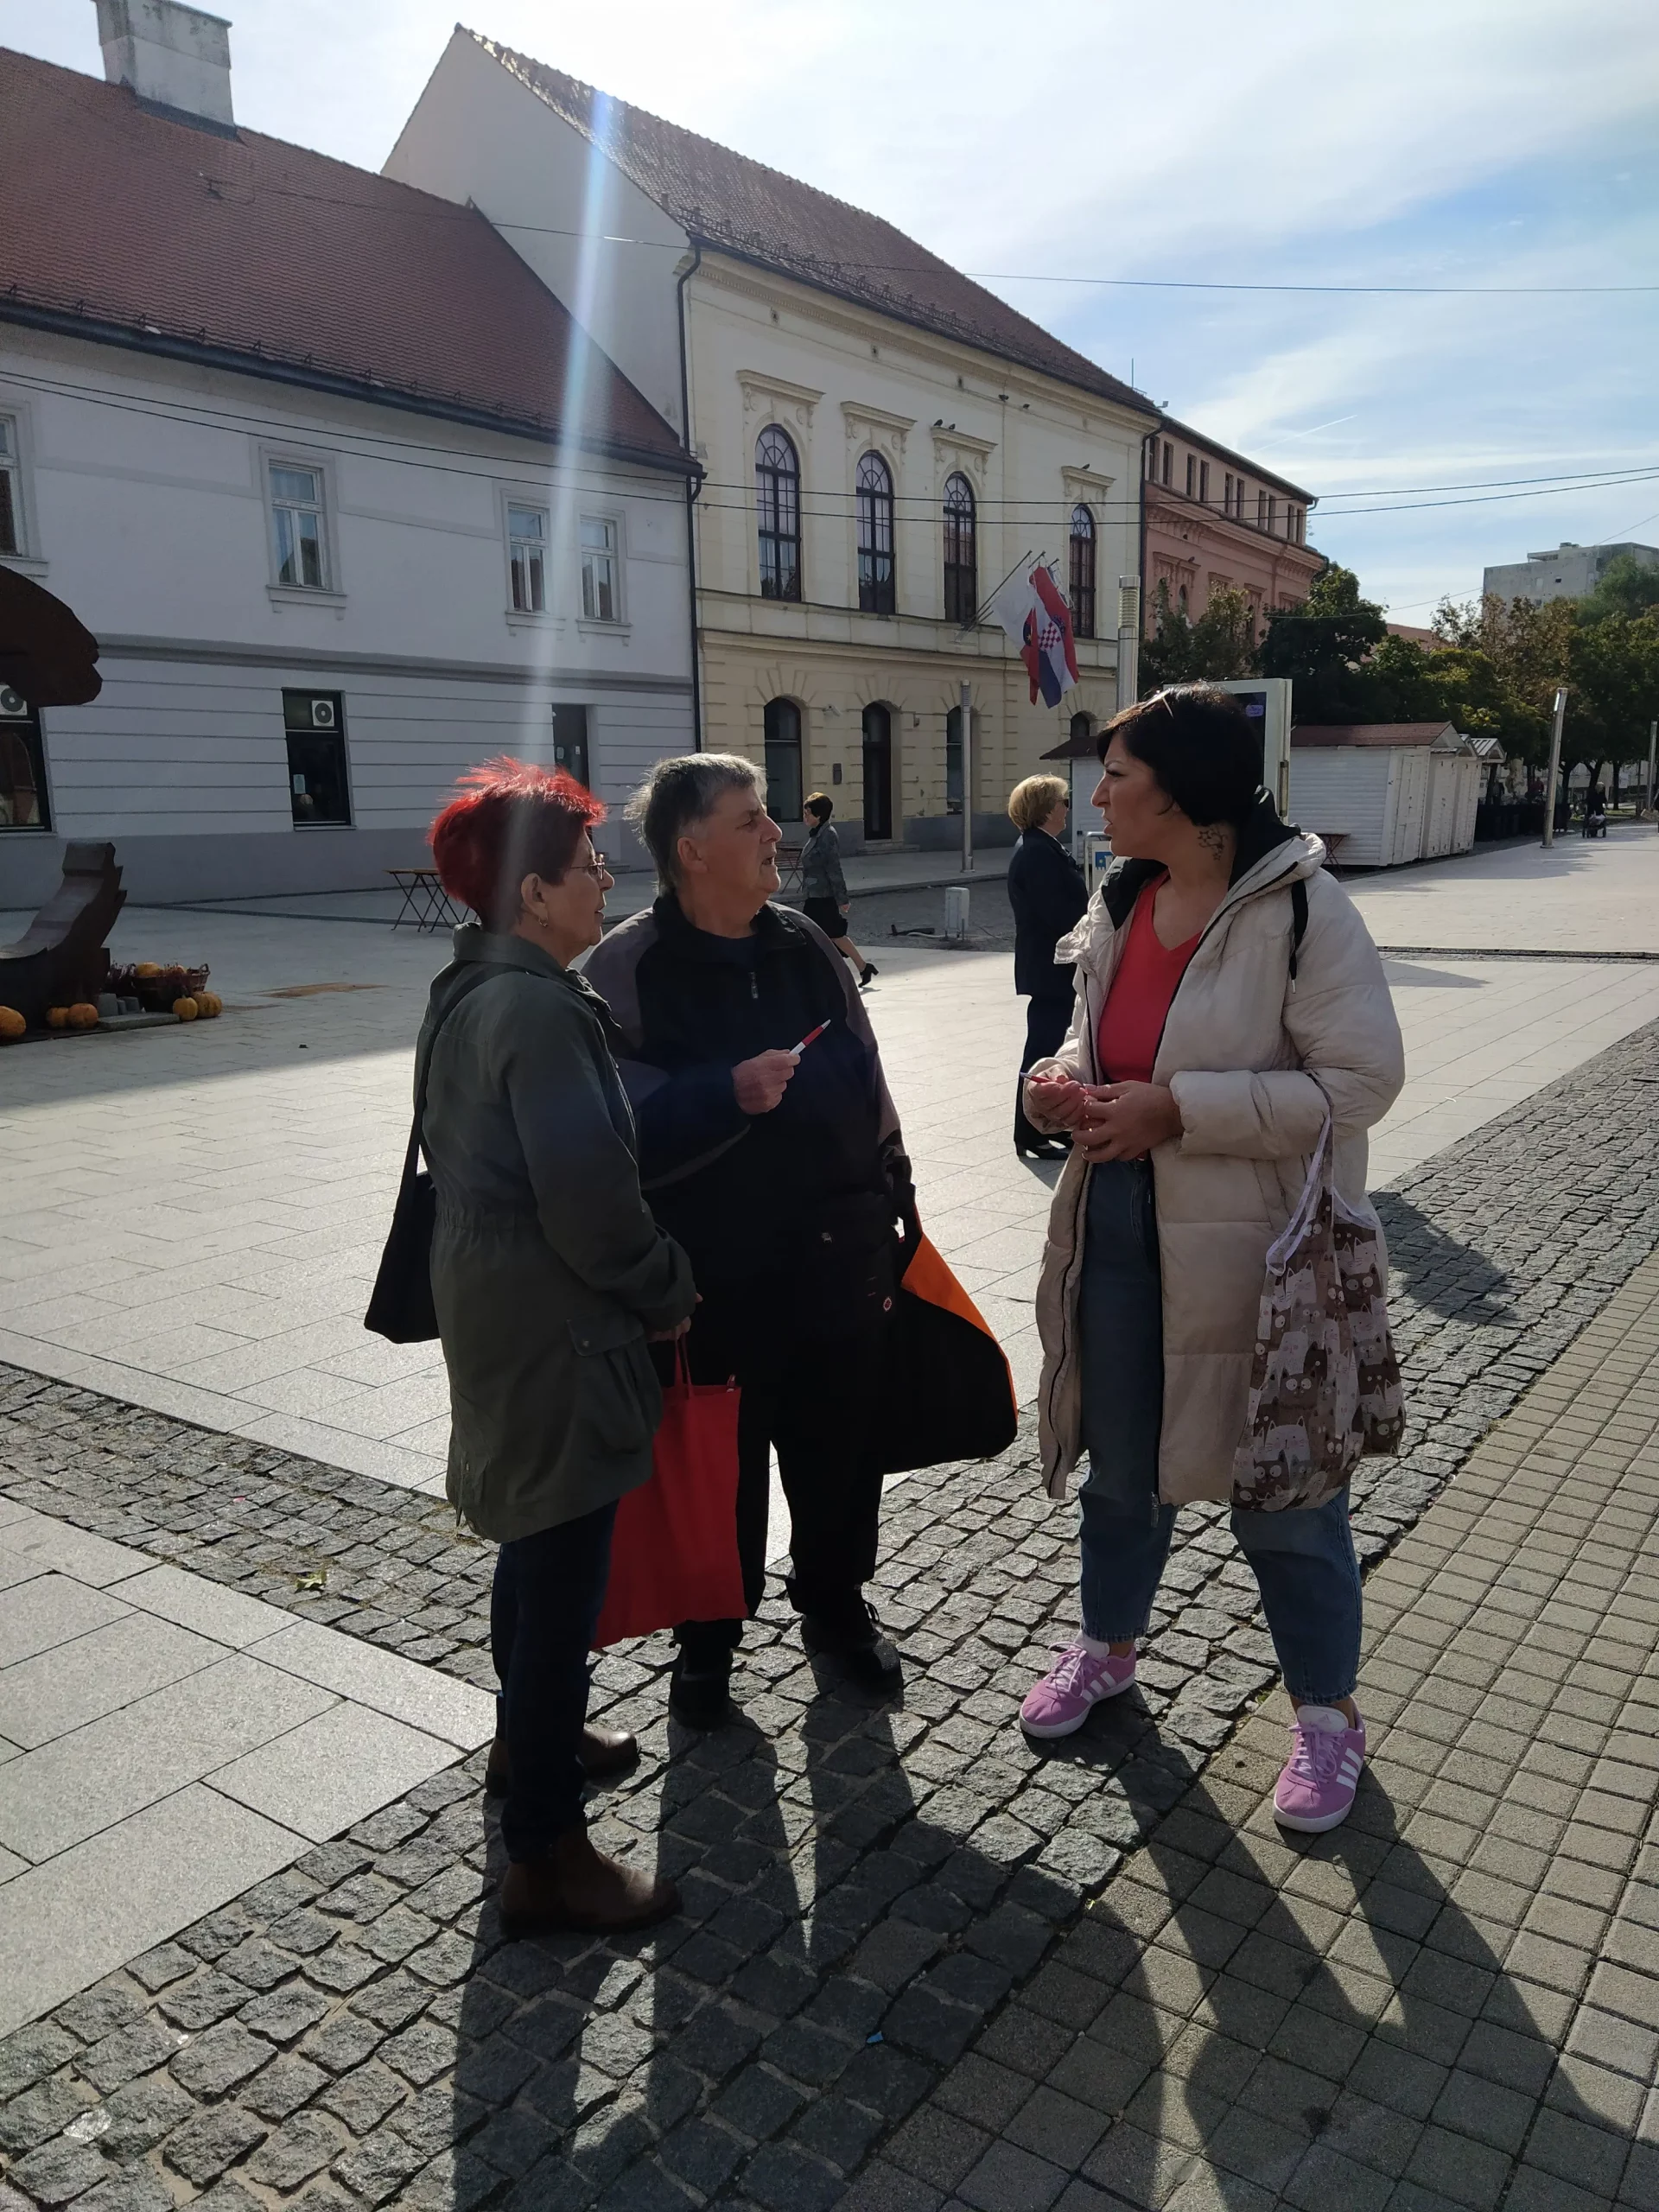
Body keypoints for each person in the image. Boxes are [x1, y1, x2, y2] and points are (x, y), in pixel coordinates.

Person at [1020, 686, 1404, 1836]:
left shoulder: (1302, 908)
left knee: (1286, 1495)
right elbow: (1107, 1036)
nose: (1098, 795)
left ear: (1181, 792)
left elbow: (1359, 1087)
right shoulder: (1125, 892)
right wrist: (1066, 1076)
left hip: (1263, 1253)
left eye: (1118, 776)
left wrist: (1177, 1110)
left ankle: (1328, 1719)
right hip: (1122, 1230)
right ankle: (1108, 1651)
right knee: (1120, 1467)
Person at [421, 759, 697, 1936]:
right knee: (562, 1563)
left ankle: (525, 1741)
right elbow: (591, 1203)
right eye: (589, 865)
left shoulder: (473, 983)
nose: (606, 882)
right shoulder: (536, 1006)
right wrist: (668, 1289)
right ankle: (545, 1853)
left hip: (496, 1301)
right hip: (555, 1318)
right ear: (532, 894)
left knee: (533, 1544)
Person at [584, 754, 911, 1727]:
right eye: (751, 819)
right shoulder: (624, 966)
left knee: (840, 1451)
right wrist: (719, 1092)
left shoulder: (805, 942)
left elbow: (868, 1069)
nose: (776, 834)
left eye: (769, 816)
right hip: (708, 1279)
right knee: (715, 1462)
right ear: (692, 851)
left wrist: (893, 1189)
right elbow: (601, 1127)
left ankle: (837, 1609)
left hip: (833, 1254)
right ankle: (707, 1643)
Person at [1006, 772, 1088, 1161]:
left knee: (1050, 1048)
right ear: (1046, 808)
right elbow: (1057, 912)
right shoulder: (1037, 852)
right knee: (1041, 1050)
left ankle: (1049, 1127)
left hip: (1052, 968)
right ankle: (1030, 1131)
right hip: (1051, 969)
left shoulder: (1043, 847)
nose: (1067, 808)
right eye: (1063, 801)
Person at [801, 791, 876, 985]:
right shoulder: (818, 833)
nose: (805, 817)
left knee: (826, 935)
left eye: (808, 813)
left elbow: (834, 868)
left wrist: (842, 899)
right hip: (815, 894)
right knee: (830, 936)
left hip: (823, 896)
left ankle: (826, 975)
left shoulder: (827, 835)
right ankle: (861, 967)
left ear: (818, 815)